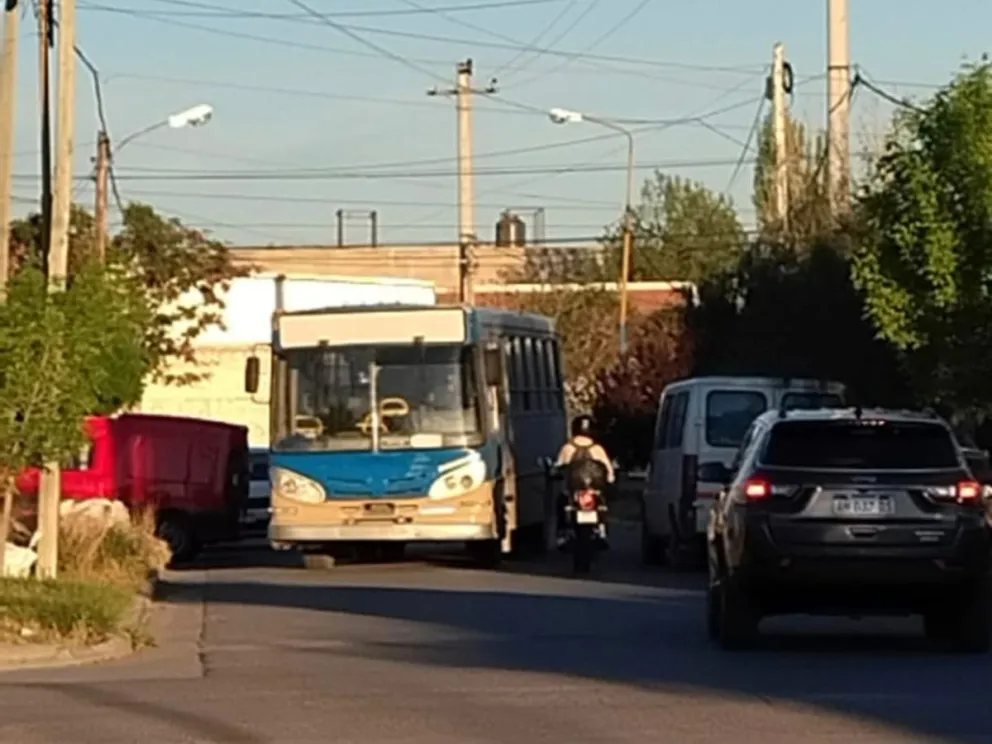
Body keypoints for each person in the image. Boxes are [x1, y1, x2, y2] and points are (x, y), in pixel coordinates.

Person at [553, 414, 615, 546]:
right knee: (603, 505)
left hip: (573, 493)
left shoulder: (567, 448)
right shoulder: (598, 449)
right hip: (594, 492)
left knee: (561, 502)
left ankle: (562, 532)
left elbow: (557, 468)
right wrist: (609, 481)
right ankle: (602, 529)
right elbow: (610, 473)